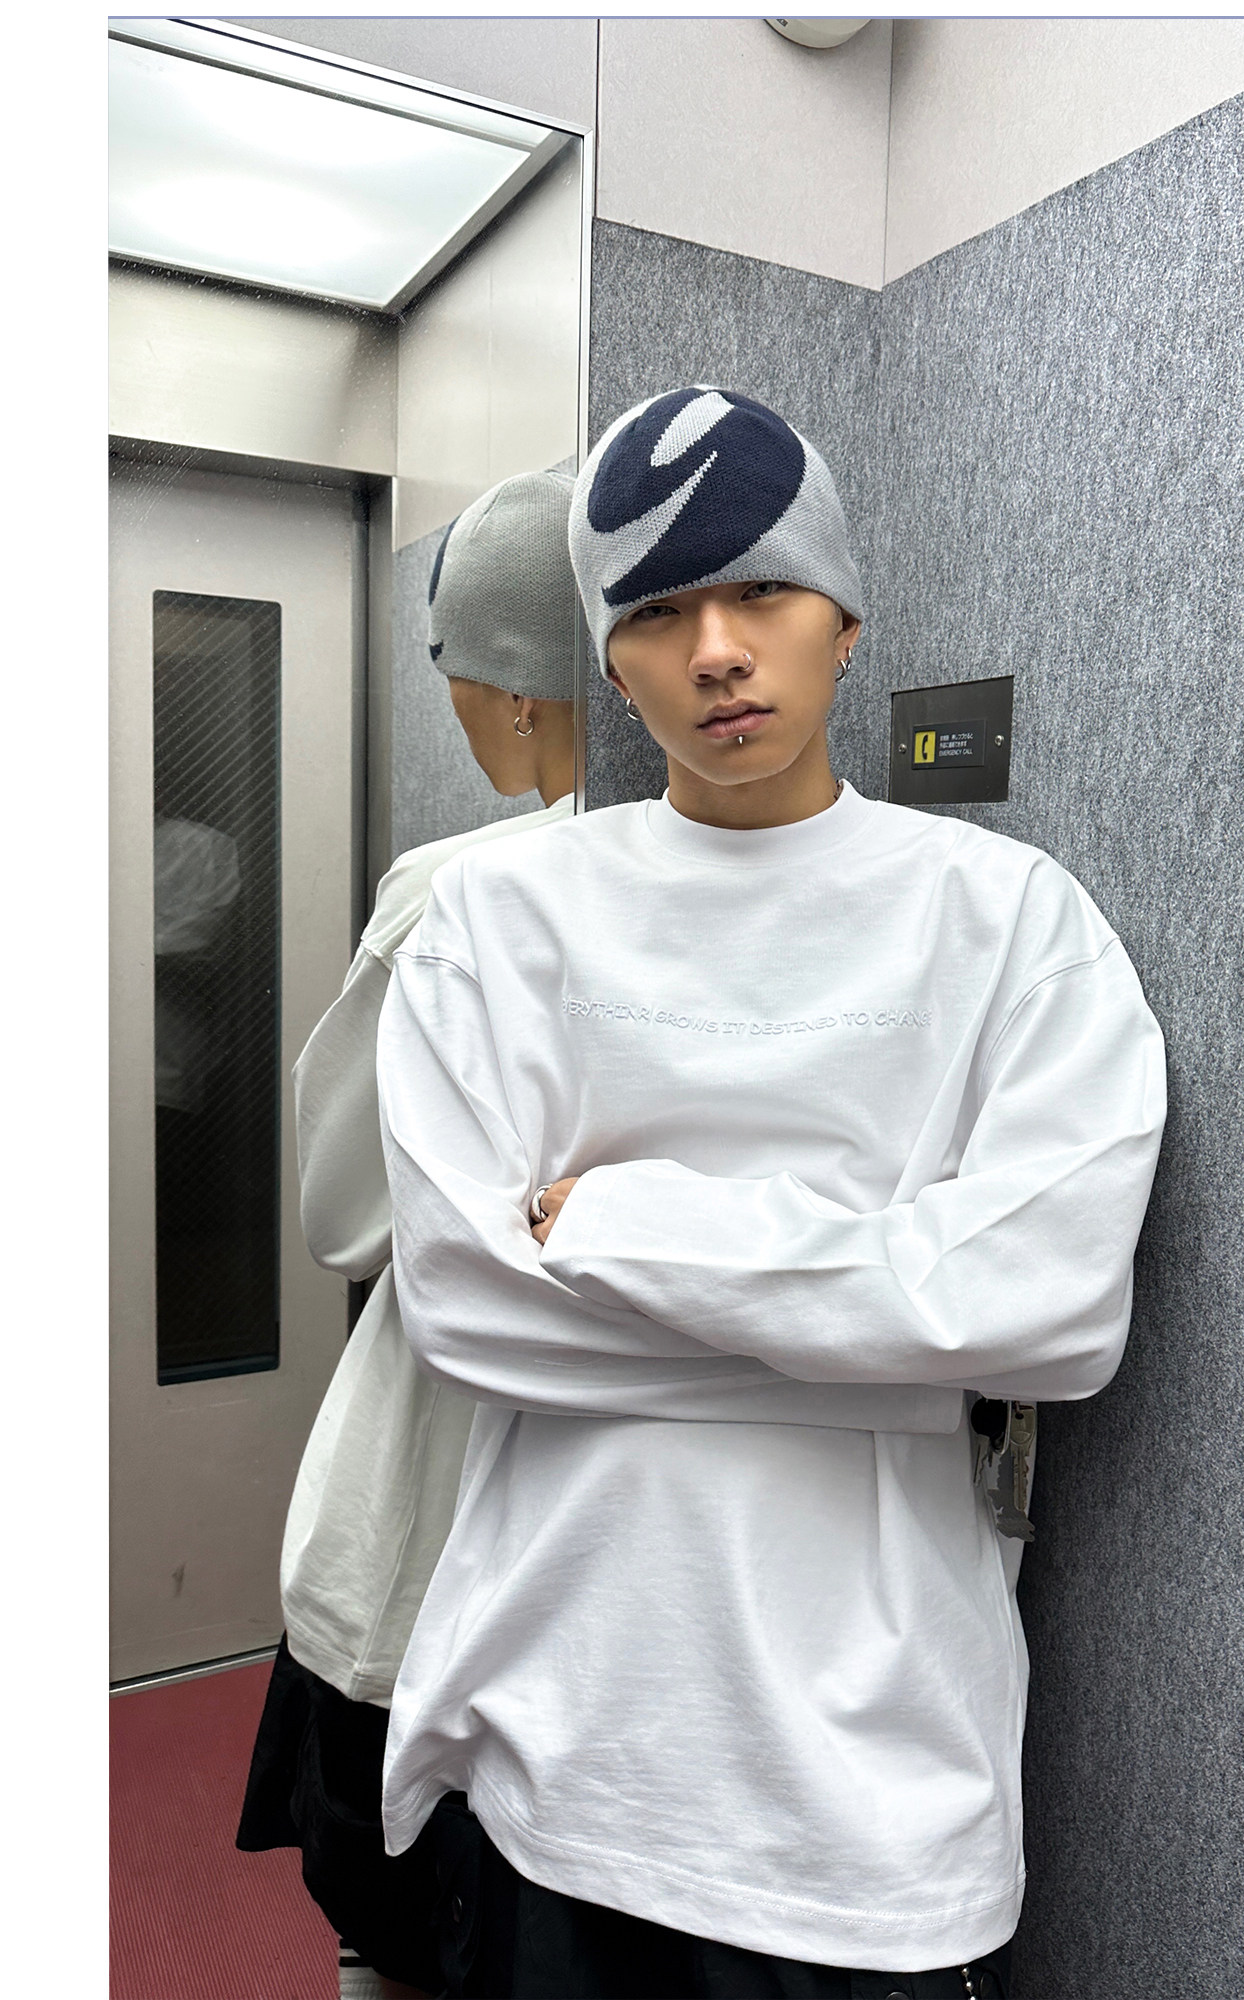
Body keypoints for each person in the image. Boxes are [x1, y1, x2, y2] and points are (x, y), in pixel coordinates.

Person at [374, 388, 1168, 1999]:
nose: (717, 651)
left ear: (847, 621)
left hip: (880, 1792)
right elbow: (462, 1308)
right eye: (658, 612)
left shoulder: (1012, 921)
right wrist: (899, 1348)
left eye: (763, 591)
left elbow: (1057, 1311)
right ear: (610, 663)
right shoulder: (501, 924)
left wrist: (623, 1226)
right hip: (563, 1744)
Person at [236, 469, 579, 2000]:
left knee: (400, 1915)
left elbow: (337, 1213)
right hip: (635, 1550)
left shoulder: (460, 893)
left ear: (517, 691)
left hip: (432, 1507)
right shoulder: (790, 885)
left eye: (451, 669)